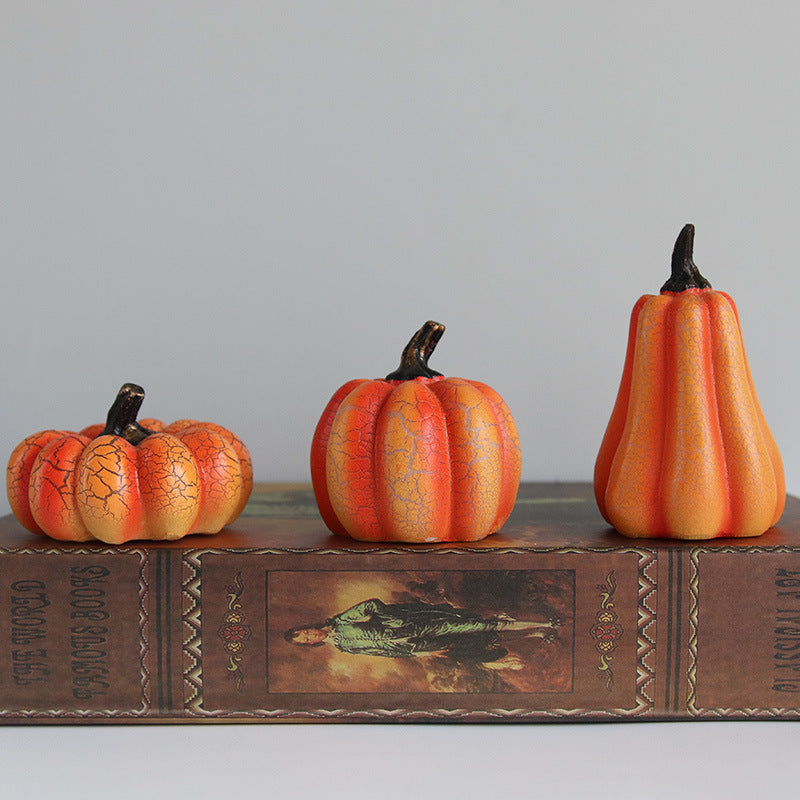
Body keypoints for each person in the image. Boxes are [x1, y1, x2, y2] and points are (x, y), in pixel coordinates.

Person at [285, 597, 559, 670]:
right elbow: (381, 652)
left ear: (307, 626)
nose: (311, 636)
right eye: (306, 640)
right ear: (309, 645)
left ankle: (545, 625)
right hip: (417, 644)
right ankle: (536, 636)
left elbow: (372, 605)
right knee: (472, 642)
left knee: (478, 625)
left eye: (306, 632)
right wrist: (415, 651)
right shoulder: (344, 647)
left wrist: (392, 624)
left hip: (418, 625)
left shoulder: (341, 622)